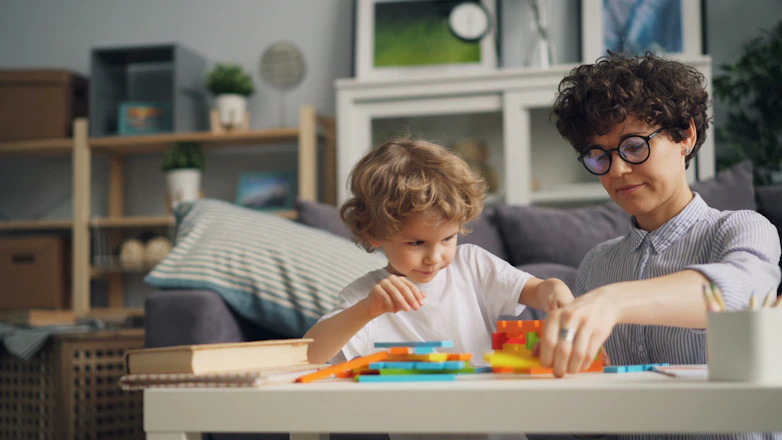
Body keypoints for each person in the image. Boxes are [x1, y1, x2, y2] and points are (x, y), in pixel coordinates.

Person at [539, 52, 781, 438]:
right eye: (599, 156)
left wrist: (614, 302)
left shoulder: (741, 229)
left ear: (685, 135)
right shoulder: (596, 266)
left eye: (634, 146)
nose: (617, 170)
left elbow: (745, 291)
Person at [304, 138, 574, 440]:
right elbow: (309, 355)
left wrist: (554, 288)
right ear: (375, 233)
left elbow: (536, 289)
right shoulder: (369, 296)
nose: (435, 257)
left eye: (448, 238)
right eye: (417, 243)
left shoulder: (472, 265)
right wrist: (367, 310)